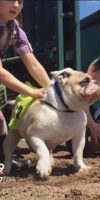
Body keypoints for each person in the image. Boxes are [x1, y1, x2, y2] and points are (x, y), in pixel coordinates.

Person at [0, 0, 51, 162]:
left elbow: (33, 64)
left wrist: (51, 89)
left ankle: (2, 162)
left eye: (20, 1)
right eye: (10, 0)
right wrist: (31, 91)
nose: (16, 5)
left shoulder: (14, 29)